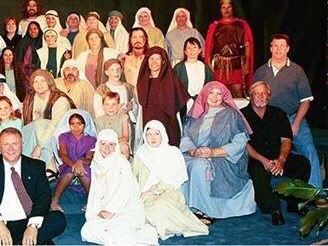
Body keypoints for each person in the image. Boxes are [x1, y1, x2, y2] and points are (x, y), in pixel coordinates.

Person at [0, 127, 67, 245]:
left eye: (15, 143)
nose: (10, 148)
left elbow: (43, 197)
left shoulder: (36, 166)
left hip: (28, 219)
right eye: (6, 144)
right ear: (0, 145)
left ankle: (15, 241)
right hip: (1, 220)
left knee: (59, 219)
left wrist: (33, 225)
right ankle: (25, 242)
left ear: (22, 144)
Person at [180, 81, 256, 221]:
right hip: (195, 155)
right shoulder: (195, 115)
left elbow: (240, 142)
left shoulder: (231, 114)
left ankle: (205, 209)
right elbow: (185, 137)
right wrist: (192, 151)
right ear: (204, 95)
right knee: (179, 164)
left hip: (222, 157)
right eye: (211, 93)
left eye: (219, 93)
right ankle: (186, 206)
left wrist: (213, 152)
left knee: (200, 166)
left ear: (224, 96)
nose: (214, 97)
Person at [253, 33, 321, 188]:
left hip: (292, 118)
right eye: (275, 46)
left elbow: (306, 101)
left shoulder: (297, 71)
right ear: (270, 48)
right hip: (269, 121)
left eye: (281, 46)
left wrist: (296, 124)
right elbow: (255, 99)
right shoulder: (261, 72)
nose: (278, 49)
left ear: (287, 49)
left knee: (309, 150)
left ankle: (315, 192)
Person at [242, 81, 311, 225]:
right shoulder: (242, 116)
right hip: (256, 158)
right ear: (250, 96)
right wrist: (263, 161)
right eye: (257, 93)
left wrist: (281, 160)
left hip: (278, 156)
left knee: (302, 164)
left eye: (264, 93)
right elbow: (245, 145)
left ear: (269, 96)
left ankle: (295, 204)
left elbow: (286, 140)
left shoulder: (278, 113)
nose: (260, 97)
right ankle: (274, 209)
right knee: (258, 172)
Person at [133, 120, 209, 239]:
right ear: (145, 136)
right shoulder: (141, 153)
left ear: (162, 134)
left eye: (156, 134)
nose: (153, 138)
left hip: (169, 191)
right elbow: (134, 176)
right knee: (144, 209)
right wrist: (139, 193)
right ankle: (173, 225)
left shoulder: (173, 152)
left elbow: (176, 179)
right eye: (149, 134)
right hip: (146, 194)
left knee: (161, 204)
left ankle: (183, 225)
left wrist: (154, 190)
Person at [81, 129, 158, 245]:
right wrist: (97, 211)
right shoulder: (96, 163)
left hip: (125, 210)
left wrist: (111, 211)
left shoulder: (121, 163)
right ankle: (130, 238)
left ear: (116, 146)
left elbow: (125, 192)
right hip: (104, 211)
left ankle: (124, 238)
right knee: (86, 231)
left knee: (116, 231)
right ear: (98, 145)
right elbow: (95, 193)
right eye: (103, 144)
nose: (107, 148)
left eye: (111, 144)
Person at [204, 0, 254, 98]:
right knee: (219, 94)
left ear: (232, 8)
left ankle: (238, 115)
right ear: (220, 9)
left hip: (236, 64)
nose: (226, 10)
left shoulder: (241, 24)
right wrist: (208, 63)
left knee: (238, 92)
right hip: (219, 66)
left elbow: (247, 44)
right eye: (223, 7)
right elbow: (209, 47)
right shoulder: (214, 26)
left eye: (229, 7)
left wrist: (247, 63)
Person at [137, 47, 188, 147]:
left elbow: (181, 104)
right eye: (151, 58)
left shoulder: (172, 81)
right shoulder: (142, 82)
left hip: (168, 122)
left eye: (158, 59)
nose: (154, 62)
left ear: (163, 61)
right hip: (148, 120)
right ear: (146, 61)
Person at [22, 69, 76, 166]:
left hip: (56, 137)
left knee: (39, 124)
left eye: (43, 80)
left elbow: (55, 125)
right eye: (36, 81)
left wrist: (40, 146)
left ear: (49, 82)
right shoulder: (29, 99)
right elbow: (25, 124)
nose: (39, 84)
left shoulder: (60, 99)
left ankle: (50, 166)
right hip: (33, 137)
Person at [50, 110, 97, 212]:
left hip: (84, 165)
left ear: (85, 125)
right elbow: (63, 155)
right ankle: (54, 200)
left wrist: (80, 162)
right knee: (69, 173)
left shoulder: (91, 140)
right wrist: (74, 165)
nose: (75, 127)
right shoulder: (64, 137)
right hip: (68, 164)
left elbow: (89, 159)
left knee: (84, 172)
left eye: (79, 124)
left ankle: (91, 202)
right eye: (72, 124)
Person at [173, 37, 214, 114]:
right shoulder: (178, 68)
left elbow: (211, 86)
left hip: (202, 102)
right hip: (184, 105)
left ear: (199, 50)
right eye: (189, 48)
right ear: (185, 51)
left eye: (194, 48)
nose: (192, 51)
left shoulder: (205, 68)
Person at [94, 92, 132, 157]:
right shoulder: (98, 120)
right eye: (107, 104)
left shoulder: (123, 118)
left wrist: (113, 144)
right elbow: (98, 139)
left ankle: (121, 166)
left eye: (114, 104)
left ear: (118, 105)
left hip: (118, 144)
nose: (110, 108)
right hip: (104, 146)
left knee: (124, 147)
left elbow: (125, 137)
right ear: (103, 106)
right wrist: (107, 145)